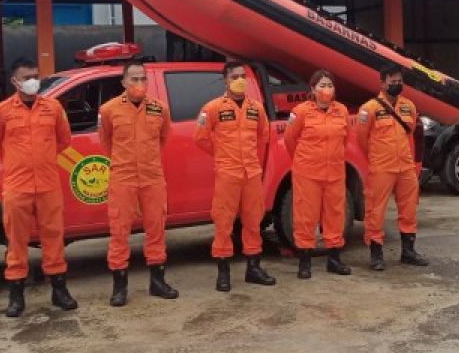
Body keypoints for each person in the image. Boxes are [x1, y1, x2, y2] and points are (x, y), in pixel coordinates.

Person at [0, 57, 77, 318]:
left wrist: (41, 161)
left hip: (48, 185)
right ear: (15, 81)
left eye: (35, 76)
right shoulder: (0, 112)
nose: (32, 81)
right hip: (17, 186)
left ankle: (60, 292)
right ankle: (16, 297)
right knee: (17, 242)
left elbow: (63, 140)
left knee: (54, 239)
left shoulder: (54, 108)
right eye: (26, 78)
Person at [98, 61, 178, 305]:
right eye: (134, 79)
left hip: (152, 177)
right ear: (123, 83)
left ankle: (157, 282)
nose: (139, 83)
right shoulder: (109, 110)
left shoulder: (159, 109)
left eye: (143, 78)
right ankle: (120, 287)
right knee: (119, 231)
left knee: (156, 229)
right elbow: (106, 142)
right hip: (123, 177)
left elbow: (163, 139)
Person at [193, 60, 277, 291]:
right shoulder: (213, 108)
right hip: (227, 173)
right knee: (224, 221)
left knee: (253, 221)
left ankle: (254, 268)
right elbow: (200, 137)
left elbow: (264, 136)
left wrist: (252, 160)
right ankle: (223, 272)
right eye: (234, 77)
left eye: (242, 77)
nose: (239, 81)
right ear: (226, 80)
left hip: (251, 173)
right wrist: (221, 153)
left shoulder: (256, 108)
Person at [354, 65, 428, 270]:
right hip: (381, 167)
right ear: (382, 83)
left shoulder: (409, 106)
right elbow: (361, 138)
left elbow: (410, 129)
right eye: (392, 81)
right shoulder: (369, 109)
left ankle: (408, 251)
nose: (397, 85)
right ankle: (376, 254)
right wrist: (377, 156)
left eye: (399, 81)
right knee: (375, 210)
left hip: (405, 166)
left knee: (409, 208)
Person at [283, 69, 352, 279]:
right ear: (312, 89)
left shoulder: (341, 111)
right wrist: (307, 161)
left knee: (335, 215)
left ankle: (334, 259)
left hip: (335, 172)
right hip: (308, 173)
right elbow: (289, 140)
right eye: (322, 85)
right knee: (306, 216)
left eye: (329, 85)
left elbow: (345, 139)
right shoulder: (300, 112)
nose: (326, 90)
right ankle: (305, 261)